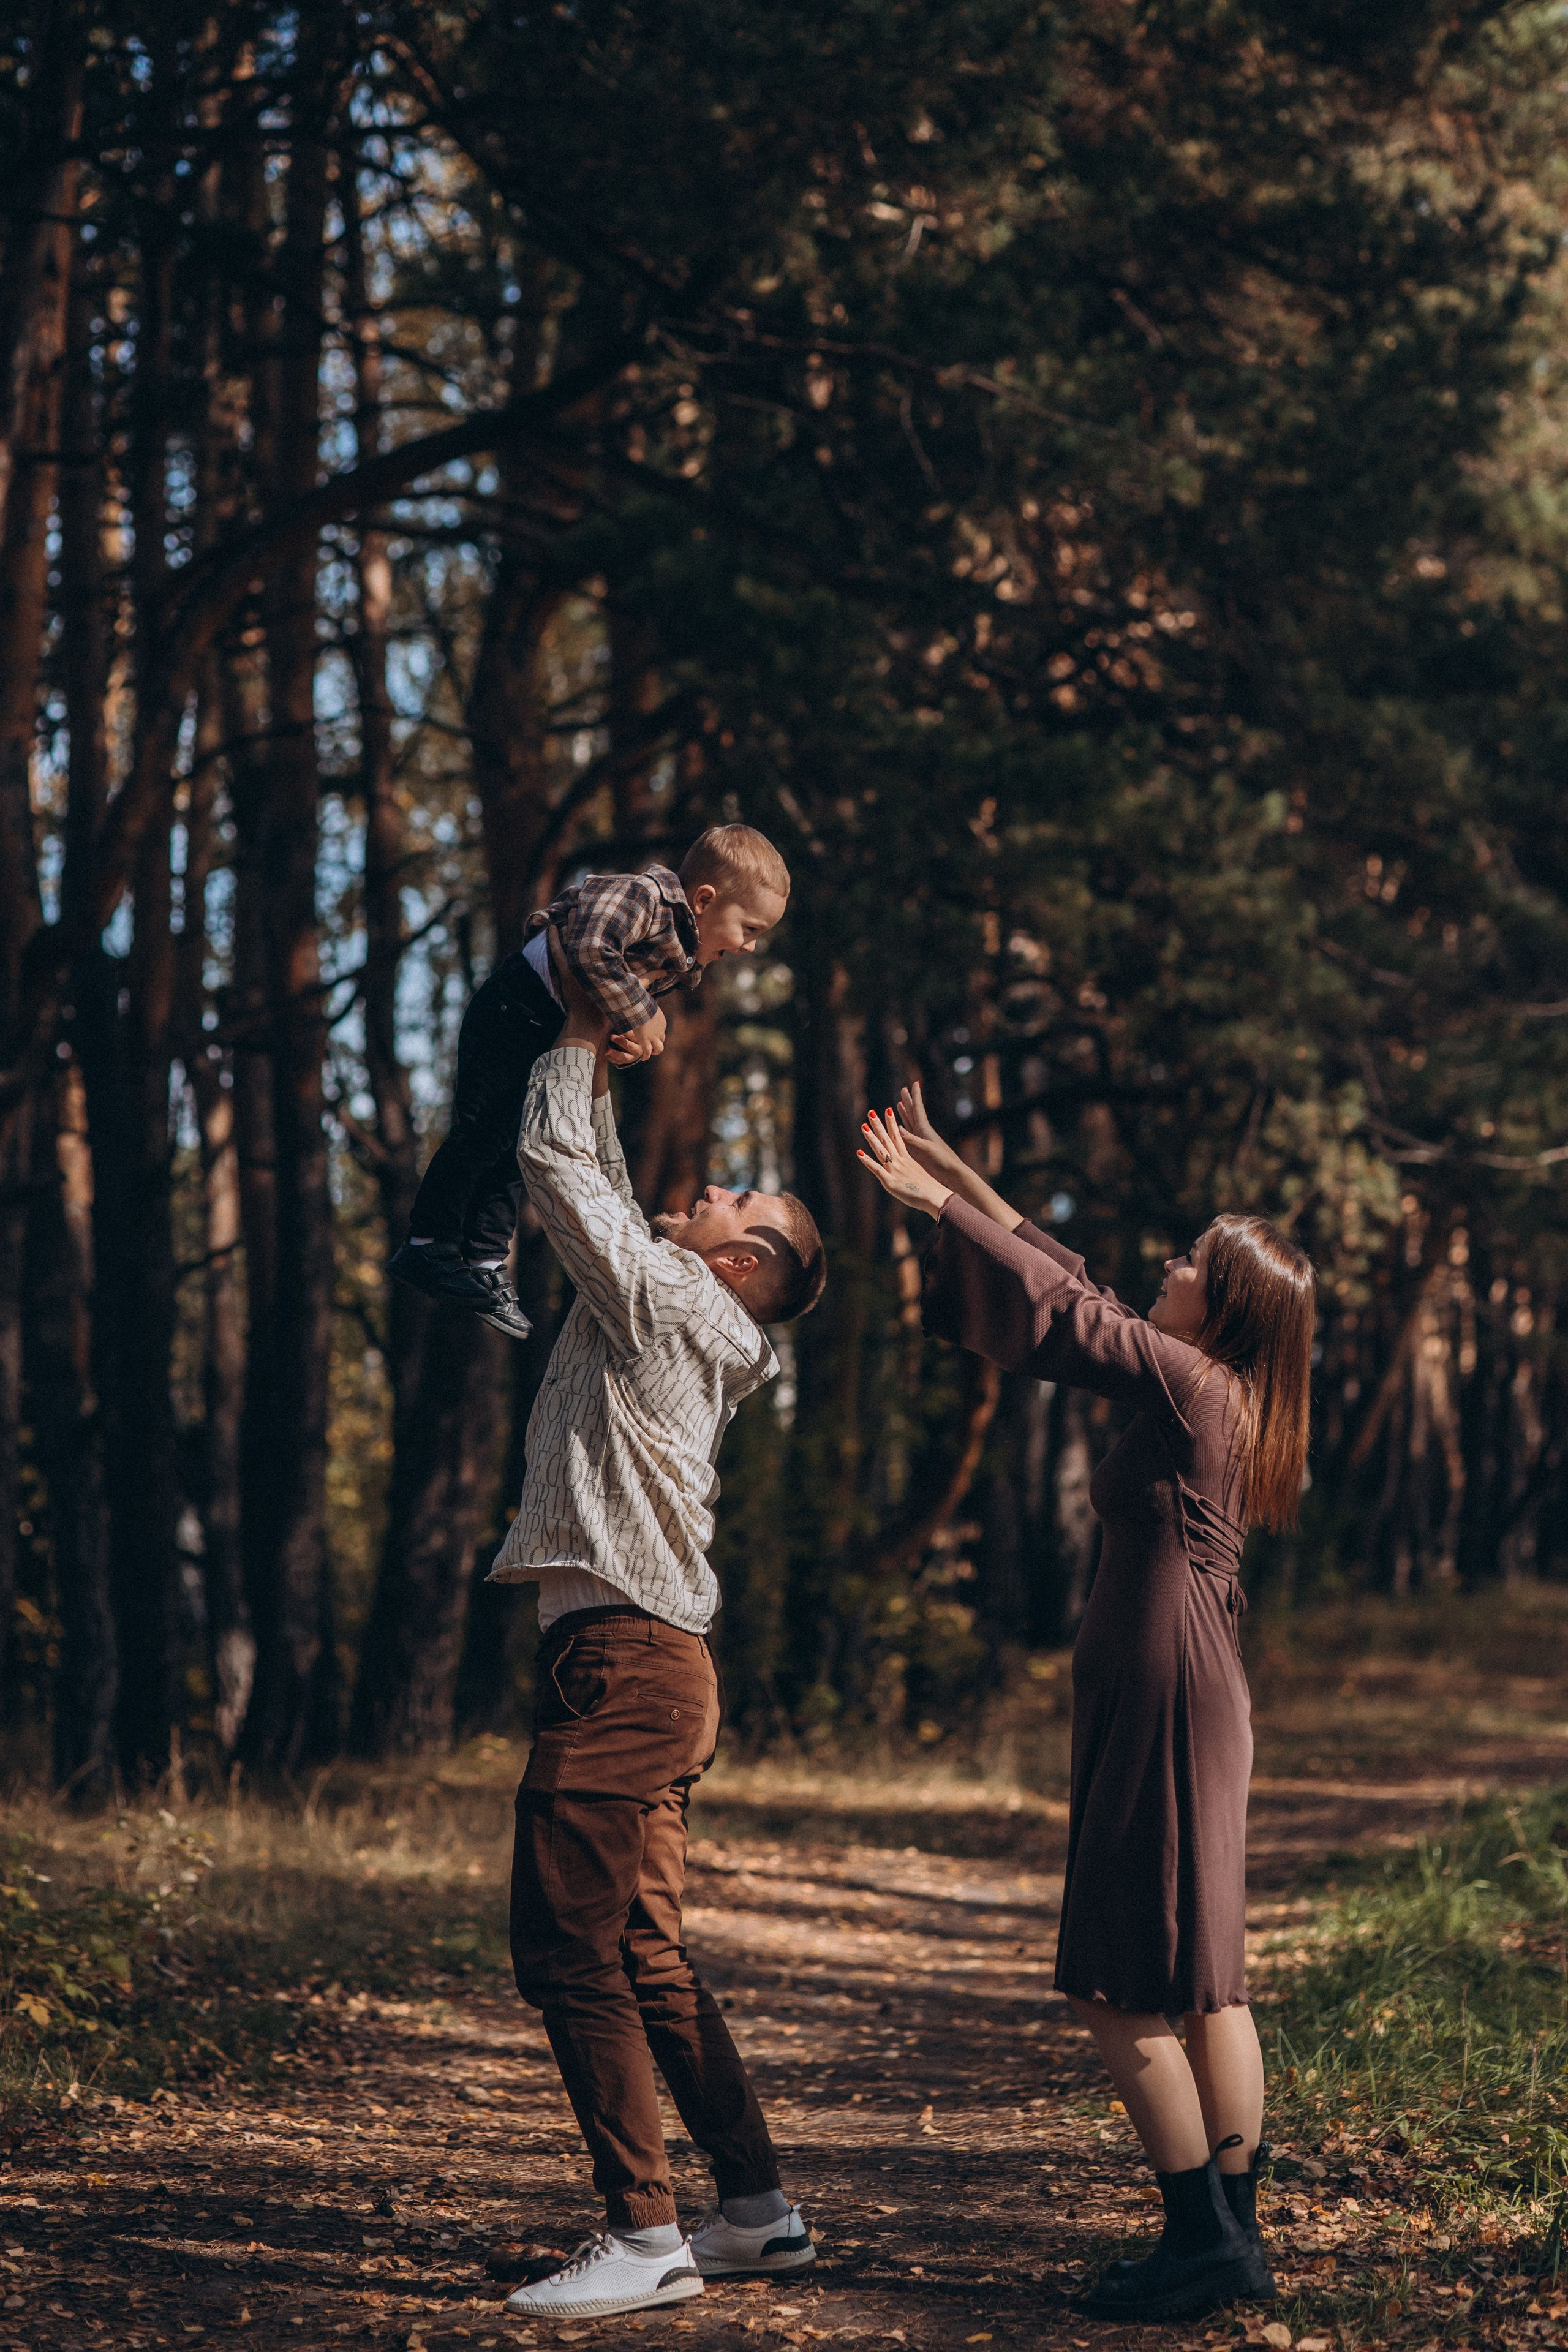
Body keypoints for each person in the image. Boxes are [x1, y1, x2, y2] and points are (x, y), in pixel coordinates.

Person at [858, 1085, 1314, 2326]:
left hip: (1166, 1695)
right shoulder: (1212, 1389)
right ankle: (1228, 2235)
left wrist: (934, 1203)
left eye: (1190, 1261)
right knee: (1209, 1975)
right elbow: (1075, 1289)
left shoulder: (1192, 1388)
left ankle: (1198, 2238)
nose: (1164, 1268)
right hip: (1189, 1690)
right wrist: (953, 1165)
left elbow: (1061, 1308)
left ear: (1220, 1305)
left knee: (1117, 1981)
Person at [485, 937, 826, 2323]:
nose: (713, 1180)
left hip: (621, 1662)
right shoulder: (682, 1305)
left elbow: (571, 1185)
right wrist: (611, 1047)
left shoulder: (681, 1300)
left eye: (737, 1193)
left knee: (564, 1940)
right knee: (643, 1948)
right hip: (651, 1662)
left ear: (743, 1259)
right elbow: (614, 1202)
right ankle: (753, 2207)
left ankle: (643, 2231)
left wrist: (576, 1025)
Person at [388, 824, 791, 1341]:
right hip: (516, 1007)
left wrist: (623, 1043)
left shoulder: (683, 953)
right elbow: (589, 946)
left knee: (514, 1146)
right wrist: (641, 1010)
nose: (750, 948)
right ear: (706, 900)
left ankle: (485, 1260)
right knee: (481, 1131)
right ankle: (427, 1243)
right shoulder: (645, 897)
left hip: (550, 1025)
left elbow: (606, 1004)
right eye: (750, 929)